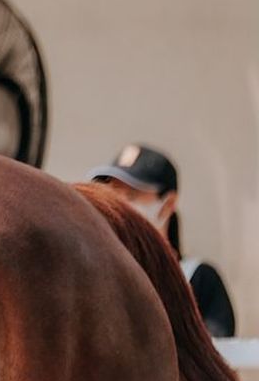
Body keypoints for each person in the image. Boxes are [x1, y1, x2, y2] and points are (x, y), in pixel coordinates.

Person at [89, 144, 236, 337]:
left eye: (132, 196)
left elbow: (214, 357)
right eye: (112, 196)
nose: (118, 207)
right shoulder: (96, 276)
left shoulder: (198, 279)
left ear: (168, 204)